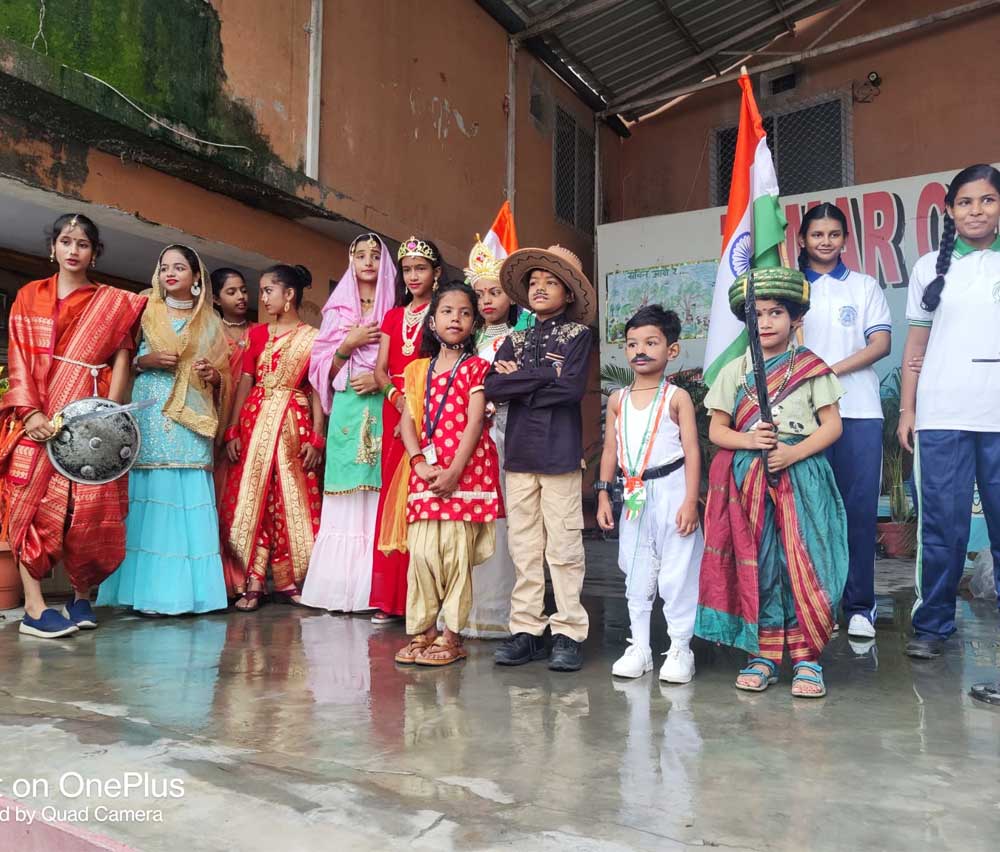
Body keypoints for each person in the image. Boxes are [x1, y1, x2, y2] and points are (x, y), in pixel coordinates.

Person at [696, 268, 847, 698]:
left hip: (803, 479)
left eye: (775, 312)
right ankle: (762, 656)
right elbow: (717, 431)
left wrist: (792, 453)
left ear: (795, 318)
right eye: (757, 314)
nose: (765, 322)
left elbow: (831, 426)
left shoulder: (812, 368)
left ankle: (806, 659)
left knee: (804, 563)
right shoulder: (733, 372)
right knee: (760, 564)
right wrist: (750, 440)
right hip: (749, 484)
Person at [0, 214, 146, 637]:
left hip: (91, 416)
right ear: (53, 248)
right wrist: (31, 414)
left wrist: (110, 414)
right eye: (66, 241)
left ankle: (82, 598)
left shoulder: (112, 303)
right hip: (38, 412)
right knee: (28, 505)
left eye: (82, 244)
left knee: (90, 509)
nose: (73, 250)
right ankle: (34, 607)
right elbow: (19, 358)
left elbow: (122, 359)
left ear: (94, 254)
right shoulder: (30, 295)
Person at [898, 164, 1000, 660]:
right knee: (942, 527)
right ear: (950, 211)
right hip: (942, 417)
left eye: (987, 200)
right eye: (965, 202)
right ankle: (933, 626)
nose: (976, 211)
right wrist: (907, 410)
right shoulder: (927, 268)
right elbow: (915, 348)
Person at [97, 245, 230, 616]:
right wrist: (146, 360)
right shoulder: (144, 308)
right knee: (150, 491)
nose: (170, 273)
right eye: (164, 267)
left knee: (186, 491)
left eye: (179, 267)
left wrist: (213, 376)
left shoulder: (211, 320)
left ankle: (191, 595)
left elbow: (227, 374)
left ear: (196, 276)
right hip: (150, 410)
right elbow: (119, 359)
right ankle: (143, 594)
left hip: (193, 415)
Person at [484, 245, 596, 672]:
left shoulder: (579, 336)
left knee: (564, 547)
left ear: (568, 293)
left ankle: (568, 632)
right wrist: (545, 374)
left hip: (560, 454)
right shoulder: (515, 338)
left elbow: (570, 391)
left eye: (551, 282)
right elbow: (493, 387)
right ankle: (527, 631)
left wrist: (522, 381)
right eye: (534, 283)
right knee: (524, 547)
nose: (540, 288)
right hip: (519, 454)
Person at [388, 281, 501, 665]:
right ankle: (423, 632)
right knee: (421, 556)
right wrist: (419, 462)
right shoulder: (418, 370)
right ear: (432, 321)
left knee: (455, 556)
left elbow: (474, 423)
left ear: (474, 325)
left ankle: (451, 637)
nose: (456, 318)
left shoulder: (477, 368)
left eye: (466, 313)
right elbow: (408, 420)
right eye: (448, 311)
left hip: (464, 473)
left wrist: (453, 471)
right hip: (425, 471)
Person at [595, 305, 704, 683]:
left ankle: (679, 648)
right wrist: (604, 494)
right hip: (634, 492)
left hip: (672, 488)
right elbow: (611, 450)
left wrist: (691, 500)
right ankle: (639, 647)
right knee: (636, 570)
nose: (640, 350)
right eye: (632, 344)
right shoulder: (617, 399)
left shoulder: (676, 398)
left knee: (677, 571)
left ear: (671, 350)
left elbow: (692, 450)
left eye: (651, 342)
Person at [798, 203, 891, 640]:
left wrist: (828, 369)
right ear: (802, 239)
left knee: (857, 512)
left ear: (844, 240)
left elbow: (882, 343)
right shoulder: (792, 290)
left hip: (858, 411)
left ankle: (859, 607)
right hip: (803, 418)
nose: (826, 241)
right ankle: (818, 606)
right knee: (811, 513)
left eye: (834, 234)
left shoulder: (864, 285)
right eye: (817, 234)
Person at [301, 234, 396, 613]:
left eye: (375, 255)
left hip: (382, 406)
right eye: (361, 255)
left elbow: (405, 365)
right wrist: (349, 343)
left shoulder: (394, 311)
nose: (368, 262)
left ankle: (375, 592)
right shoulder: (337, 312)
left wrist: (379, 377)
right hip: (346, 410)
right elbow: (320, 371)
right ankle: (338, 592)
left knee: (379, 494)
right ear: (350, 260)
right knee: (344, 496)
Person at [222, 264, 323, 611]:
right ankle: (253, 578)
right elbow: (245, 382)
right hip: (255, 421)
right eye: (262, 291)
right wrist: (233, 428)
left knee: (290, 496)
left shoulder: (313, 337)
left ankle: (289, 578)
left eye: (268, 290)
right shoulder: (258, 335)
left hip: (294, 421)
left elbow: (317, 391)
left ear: (289, 294)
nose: (262, 298)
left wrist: (317, 438)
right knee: (256, 498)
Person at [369, 236, 441, 625]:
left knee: (422, 499)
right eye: (408, 269)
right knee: (391, 502)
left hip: (429, 408)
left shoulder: (442, 311)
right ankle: (389, 599)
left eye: (421, 268)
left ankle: (422, 599)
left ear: (437, 272)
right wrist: (398, 401)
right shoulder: (394, 316)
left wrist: (414, 408)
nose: (413, 276)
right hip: (395, 403)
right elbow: (381, 369)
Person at [464, 237, 533, 638]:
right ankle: (465, 607)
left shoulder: (521, 339)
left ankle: (504, 610)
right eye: (480, 293)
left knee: (505, 520)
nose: (487, 300)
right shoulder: (467, 340)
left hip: (504, 436)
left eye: (495, 292)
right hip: (469, 439)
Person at [210, 267, 259, 598]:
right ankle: (218, 579)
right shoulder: (210, 333)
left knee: (244, 504)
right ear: (215, 298)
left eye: (243, 290)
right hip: (214, 424)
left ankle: (245, 577)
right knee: (217, 503)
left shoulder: (259, 333)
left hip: (252, 426)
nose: (241, 297)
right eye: (231, 292)